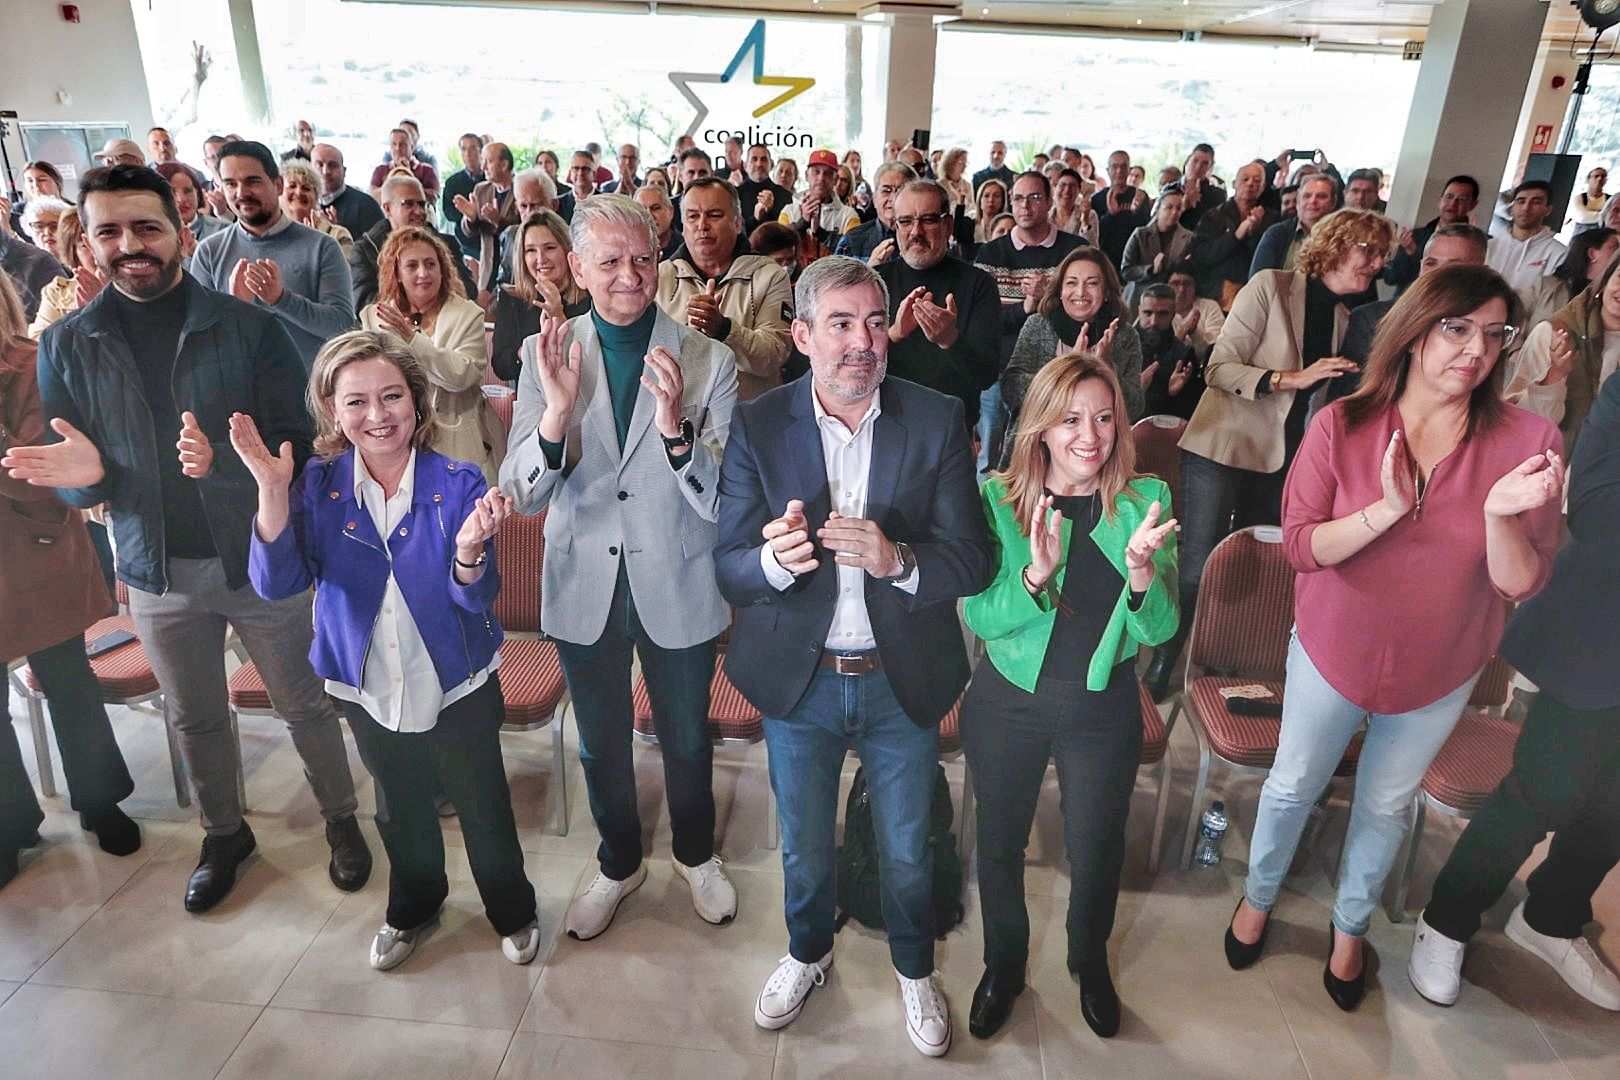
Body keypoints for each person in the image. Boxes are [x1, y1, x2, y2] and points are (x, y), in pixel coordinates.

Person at [7, 164, 370, 913]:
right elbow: (80, 478)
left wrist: (229, 472)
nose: (129, 245)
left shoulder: (246, 325)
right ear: (89, 241)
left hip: (258, 559)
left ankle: (342, 820)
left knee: (303, 702)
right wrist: (82, 479)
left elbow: (293, 443)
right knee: (194, 715)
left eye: (145, 227)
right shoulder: (69, 343)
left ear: (179, 226)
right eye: (109, 231)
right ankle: (225, 833)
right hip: (153, 567)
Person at [1224, 264, 1564, 1012]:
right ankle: (1258, 897)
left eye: (1493, 333)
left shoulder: (1527, 438)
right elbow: (1304, 547)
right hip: (1331, 647)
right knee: (1290, 785)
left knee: (1385, 805)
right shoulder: (1342, 423)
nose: (1475, 348)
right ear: (1413, 332)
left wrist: (1500, 517)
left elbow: (1521, 584)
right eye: (1456, 327)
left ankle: (1350, 928)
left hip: (1440, 665)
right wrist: (1384, 510)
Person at [713, 254, 993, 1058]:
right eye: (839, 324)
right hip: (798, 681)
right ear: (801, 335)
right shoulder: (760, 424)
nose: (861, 342)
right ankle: (808, 953)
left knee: (907, 846)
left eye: (874, 322)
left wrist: (897, 561)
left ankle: (914, 968)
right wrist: (774, 562)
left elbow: (973, 561)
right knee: (802, 842)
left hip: (896, 679)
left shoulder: (936, 417)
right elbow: (728, 560)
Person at [233, 329, 538, 971]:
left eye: (392, 396)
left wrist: (468, 556)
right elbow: (277, 583)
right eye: (357, 401)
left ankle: (512, 909)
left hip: (457, 680)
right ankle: (416, 906)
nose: (377, 415)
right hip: (366, 682)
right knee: (399, 810)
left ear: (417, 402)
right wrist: (269, 492)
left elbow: (478, 600)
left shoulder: (455, 481)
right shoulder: (314, 485)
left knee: (483, 805)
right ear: (331, 410)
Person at [498, 195, 740, 942]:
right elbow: (520, 490)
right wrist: (553, 418)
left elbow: (722, 499)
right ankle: (619, 859)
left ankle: (696, 854)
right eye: (609, 261)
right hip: (584, 577)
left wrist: (676, 440)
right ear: (576, 268)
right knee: (600, 740)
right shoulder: (548, 352)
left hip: (678, 571)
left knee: (686, 737)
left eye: (642, 259)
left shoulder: (709, 358)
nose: (629, 276)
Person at [960, 352, 1178, 1041]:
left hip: (1100, 703)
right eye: (1071, 418)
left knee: (1096, 844)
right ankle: (1004, 966)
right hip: (1007, 699)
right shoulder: (998, 500)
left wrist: (1142, 577)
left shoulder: (1146, 501)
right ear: (1041, 430)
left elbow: (1162, 627)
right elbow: (980, 617)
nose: (1091, 435)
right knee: (997, 841)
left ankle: (1090, 961)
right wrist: (1032, 574)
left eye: (1105, 417)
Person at [1409, 367, 1620, 1014]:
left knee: (1614, 809)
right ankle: (1446, 920)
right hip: (1599, 635)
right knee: (1541, 792)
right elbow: (1597, 505)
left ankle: (1552, 915)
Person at [1147, 209, 1393, 698]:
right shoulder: (1271, 286)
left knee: (1253, 566)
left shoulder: (1351, 318)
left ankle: (1219, 658)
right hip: (1225, 443)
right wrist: (1290, 379)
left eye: (1382, 255)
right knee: (1198, 563)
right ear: (1337, 245)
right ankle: (1164, 661)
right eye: (1369, 250)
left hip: (1290, 460)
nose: (1377, 263)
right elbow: (1219, 369)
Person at [0, 272, 138, 888]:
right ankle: (9, 826)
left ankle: (101, 801)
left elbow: (44, 464)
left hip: (35, 546)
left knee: (67, 678)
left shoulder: (30, 363)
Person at [191, 141, 357, 372]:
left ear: (277, 184)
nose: (242, 193)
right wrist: (235, 308)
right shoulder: (209, 252)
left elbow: (342, 326)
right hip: (240, 390)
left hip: (311, 391)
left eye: (252, 181)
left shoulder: (323, 246)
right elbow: (200, 340)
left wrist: (281, 299)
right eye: (230, 184)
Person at [359, 226, 503, 484]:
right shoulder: (374, 318)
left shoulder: (468, 315)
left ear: (442, 269)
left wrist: (412, 339)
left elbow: (461, 375)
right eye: (412, 266)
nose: (423, 273)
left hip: (457, 445)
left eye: (430, 264)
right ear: (397, 274)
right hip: (394, 450)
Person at [974, 172, 1087, 480]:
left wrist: (1046, 299)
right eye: (1019, 198)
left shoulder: (1073, 251)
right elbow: (981, 321)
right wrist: (1024, 308)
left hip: (1053, 373)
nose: (1025, 206)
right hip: (996, 371)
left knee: (1043, 457)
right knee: (989, 458)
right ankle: (984, 524)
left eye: (1035, 197)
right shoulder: (991, 253)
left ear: (1049, 202)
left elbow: (1084, 310)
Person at [1324, 223, 1490, 412]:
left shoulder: (1489, 329)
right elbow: (1346, 400)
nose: (1437, 274)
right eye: (1431, 263)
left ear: (1481, 271)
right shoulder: (1372, 319)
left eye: (1454, 266)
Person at [873, 180, 1000, 426]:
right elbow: (856, 364)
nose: (915, 232)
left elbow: (985, 375)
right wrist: (895, 334)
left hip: (951, 430)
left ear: (948, 225)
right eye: (906, 221)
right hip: (882, 425)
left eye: (928, 220)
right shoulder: (876, 282)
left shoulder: (979, 284)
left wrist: (950, 340)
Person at [656, 177, 793, 402]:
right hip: (676, 421)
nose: (702, 225)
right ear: (682, 225)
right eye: (692, 216)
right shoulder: (660, 277)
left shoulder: (770, 275)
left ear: (738, 223)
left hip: (746, 419)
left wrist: (724, 330)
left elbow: (774, 355)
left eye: (714, 215)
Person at [1003, 247, 1143, 431]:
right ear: (1059, 291)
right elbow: (1011, 389)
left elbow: (1134, 408)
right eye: (1071, 283)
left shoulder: (1125, 335)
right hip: (1039, 441)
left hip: (1101, 445)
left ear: (1107, 292)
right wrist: (1068, 368)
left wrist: (1107, 368)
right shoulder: (1038, 325)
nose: (1080, 292)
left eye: (1092, 283)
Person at [1506, 251, 1620, 451]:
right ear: (1603, 282)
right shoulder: (1554, 333)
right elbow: (1520, 419)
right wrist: (1553, 379)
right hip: (1543, 467)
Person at [350, 174, 475, 313]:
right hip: (388, 330)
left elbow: (468, 291)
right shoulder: (365, 250)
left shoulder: (448, 244)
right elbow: (364, 304)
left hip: (445, 326)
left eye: (422, 204)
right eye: (409, 204)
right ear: (387, 208)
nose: (419, 211)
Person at [491, 210, 590, 381]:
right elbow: (501, 366)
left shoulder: (591, 295)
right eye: (530, 250)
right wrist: (532, 351)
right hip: (532, 396)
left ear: (568, 249)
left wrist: (557, 314)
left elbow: (590, 362)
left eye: (549, 248)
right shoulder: (513, 298)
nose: (540, 258)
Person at [1185, 160, 1278, 307]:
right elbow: (1201, 255)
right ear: (1234, 183)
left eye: (1257, 180)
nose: (1250, 184)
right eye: (1245, 179)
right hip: (1214, 292)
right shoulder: (1215, 215)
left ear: (1262, 187)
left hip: (1253, 293)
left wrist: (1254, 231)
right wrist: (1236, 236)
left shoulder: (1271, 219)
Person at [1385, 175, 1480, 292]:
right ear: (1440, 200)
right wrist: (1410, 253)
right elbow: (1390, 278)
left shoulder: (1477, 243)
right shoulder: (1414, 237)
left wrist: (1416, 252)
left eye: (1462, 199)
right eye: (1449, 197)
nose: (1453, 203)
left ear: (1473, 205)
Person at [454, 141, 521, 299]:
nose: (483, 167)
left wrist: (499, 221)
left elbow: (523, 228)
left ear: (504, 165)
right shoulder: (481, 189)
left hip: (515, 267)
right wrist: (472, 219)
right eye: (483, 161)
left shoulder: (521, 187)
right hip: (489, 266)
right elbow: (468, 232)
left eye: (488, 162)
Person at [1487, 181, 1566, 309]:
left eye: (1536, 202)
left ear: (1548, 209)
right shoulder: (1489, 247)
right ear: (1512, 208)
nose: (1526, 208)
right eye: (1521, 201)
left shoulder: (1559, 253)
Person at [28, 208, 105, 338]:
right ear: (74, 253)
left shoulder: (140, 283)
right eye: (85, 246)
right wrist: (85, 317)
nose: (97, 253)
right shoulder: (57, 293)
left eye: (103, 241)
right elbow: (40, 345)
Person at [1523, 227, 1618, 331]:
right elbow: (1515, 317)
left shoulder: (1613, 296)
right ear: (1592, 253)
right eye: (1615, 247)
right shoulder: (1546, 286)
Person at [780, 149, 861, 266]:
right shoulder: (789, 211)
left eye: (828, 173)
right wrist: (803, 222)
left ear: (835, 180)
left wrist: (821, 233)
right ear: (806, 175)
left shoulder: (849, 216)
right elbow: (779, 248)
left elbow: (853, 254)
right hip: (795, 281)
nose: (821, 178)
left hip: (834, 281)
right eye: (816, 172)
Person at [1136, 284, 1204, 418]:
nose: (1154, 321)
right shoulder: (1121, 349)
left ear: (1173, 314)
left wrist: (1171, 394)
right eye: (1148, 313)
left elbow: (1192, 413)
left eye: (1162, 314)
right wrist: (1136, 391)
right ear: (1139, 311)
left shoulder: (1183, 355)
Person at [1250, 174, 1340, 276]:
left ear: (1333, 203)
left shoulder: (1342, 236)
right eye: (1307, 196)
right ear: (1298, 201)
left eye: (1321, 196)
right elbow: (1258, 280)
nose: (1313, 201)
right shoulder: (1276, 234)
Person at [1120, 191, 1192, 311]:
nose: (1174, 212)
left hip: (1171, 298)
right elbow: (1126, 271)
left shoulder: (1188, 238)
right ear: (1158, 209)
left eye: (1178, 208)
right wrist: (1150, 269)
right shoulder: (1140, 234)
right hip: (1138, 296)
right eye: (1169, 207)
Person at [836, 162, 915, 263]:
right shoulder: (852, 241)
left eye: (901, 191)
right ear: (874, 198)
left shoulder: (923, 237)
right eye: (886, 190)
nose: (894, 198)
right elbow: (835, 278)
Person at [0, 204, 65, 323]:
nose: (46, 232)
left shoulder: (40, 262)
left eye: (54, 226)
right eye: (39, 226)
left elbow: (58, 327)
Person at [279, 160, 354, 259]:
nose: (298, 192)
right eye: (292, 186)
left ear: (316, 197)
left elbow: (345, 272)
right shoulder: (268, 234)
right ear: (277, 193)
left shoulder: (338, 235)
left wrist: (315, 243)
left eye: (306, 188)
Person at [312, 143, 386, 242]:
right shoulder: (302, 204)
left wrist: (338, 233)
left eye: (333, 165)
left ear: (344, 171)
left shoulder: (366, 206)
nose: (326, 171)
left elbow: (383, 252)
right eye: (319, 165)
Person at [1091, 151, 1150, 266]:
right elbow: (1095, 235)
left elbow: (1145, 232)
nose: (1119, 171)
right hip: (1105, 261)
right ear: (1108, 171)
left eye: (1123, 167)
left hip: (1133, 260)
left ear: (1129, 170)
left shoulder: (1139, 196)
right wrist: (1111, 214)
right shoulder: (1097, 199)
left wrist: (1135, 212)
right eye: (1114, 167)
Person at [155, 162, 227, 252]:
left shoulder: (223, 230)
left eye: (188, 191)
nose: (181, 199)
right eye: (171, 192)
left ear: (198, 193)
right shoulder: (151, 236)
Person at [441, 133, 486, 258]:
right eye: (464, 149)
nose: (468, 153)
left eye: (472, 148)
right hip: (464, 242)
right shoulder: (452, 182)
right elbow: (448, 211)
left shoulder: (490, 179)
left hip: (489, 239)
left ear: (481, 151)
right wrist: (467, 213)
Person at [369, 128, 439, 203]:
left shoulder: (427, 170)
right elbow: (373, 198)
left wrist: (408, 177)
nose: (397, 148)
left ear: (412, 147)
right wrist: (393, 179)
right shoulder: (380, 170)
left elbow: (433, 199)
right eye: (394, 144)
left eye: (402, 145)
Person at [1166, 144, 1225, 230]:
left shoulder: (1218, 195)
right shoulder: (1170, 189)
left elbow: (1216, 228)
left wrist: (1197, 206)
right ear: (1187, 161)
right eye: (1195, 161)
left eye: (1205, 164)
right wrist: (1183, 207)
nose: (1198, 167)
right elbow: (1158, 223)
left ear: (1210, 167)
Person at [1167, 267, 1224, 357]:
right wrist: (1180, 334)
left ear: (1195, 287)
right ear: (1166, 286)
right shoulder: (1156, 309)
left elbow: (1217, 350)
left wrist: (1194, 333)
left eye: (1187, 284)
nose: (1182, 289)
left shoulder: (1209, 307)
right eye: (1175, 284)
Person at [738, 144, 794, 235]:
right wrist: (755, 219)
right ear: (745, 165)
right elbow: (732, 232)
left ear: (771, 165)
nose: (759, 164)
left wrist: (771, 212)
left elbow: (788, 233)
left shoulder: (786, 196)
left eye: (763, 159)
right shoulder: (734, 195)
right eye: (754, 159)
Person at [633, 184, 682, 262]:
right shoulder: (628, 250)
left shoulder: (686, 248)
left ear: (671, 211)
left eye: (656, 208)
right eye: (642, 209)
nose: (649, 215)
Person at [1050, 169, 1097, 243]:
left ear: (1079, 190)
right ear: (1054, 188)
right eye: (1063, 185)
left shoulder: (1089, 215)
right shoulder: (1045, 216)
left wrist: (1085, 221)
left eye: (1072, 186)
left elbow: (1092, 247)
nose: (1067, 190)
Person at [968, 179, 1008, 258]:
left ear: (1003, 201)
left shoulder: (1007, 228)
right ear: (980, 200)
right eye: (986, 196)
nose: (991, 200)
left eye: (996, 196)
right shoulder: (970, 226)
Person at [1571, 166, 1609, 232]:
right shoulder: (1579, 198)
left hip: (1602, 237)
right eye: (1596, 176)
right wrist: (1605, 216)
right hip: (1580, 238)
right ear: (1588, 180)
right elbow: (1582, 217)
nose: (1599, 179)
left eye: (1603, 176)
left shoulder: (1610, 199)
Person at [939, 148, 972, 216]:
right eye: (960, 162)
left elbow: (971, 208)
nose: (964, 166)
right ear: (950, 163)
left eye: (965, 162)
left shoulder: (967, 186)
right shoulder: (939, 185)